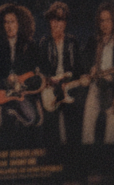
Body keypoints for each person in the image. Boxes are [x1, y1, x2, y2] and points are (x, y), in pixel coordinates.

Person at [0, 3, 41, 144]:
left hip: (21, 94)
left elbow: (33, 75)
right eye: (6, 22)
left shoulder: (29, 45)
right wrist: (6, 81)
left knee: (32, 118)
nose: (9, 26)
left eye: (12, 22)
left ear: (19, 23)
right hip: (0, 93)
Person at [80, 2, 114, 144]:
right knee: (87, 131)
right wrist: (90, 68)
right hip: (95, 87)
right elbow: (83, 59)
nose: (105, 24)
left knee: (111, 135)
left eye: (108, 20)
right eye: (102, 20)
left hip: (113, 90)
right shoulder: (93, 41)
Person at [38, 2, 83, 145]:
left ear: (65, 22)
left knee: (73, 127)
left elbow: (78, 69)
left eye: (62, 20)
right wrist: (51, 81)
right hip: (51, 88)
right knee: (51, 132)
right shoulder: (44, 43)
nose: (58, 24)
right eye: (55, 20)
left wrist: (71, 79)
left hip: (69, 86)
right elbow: (41, 70)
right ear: (50, 22)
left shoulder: (72, 42)